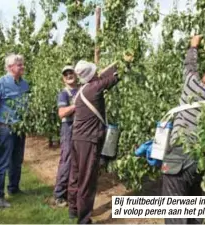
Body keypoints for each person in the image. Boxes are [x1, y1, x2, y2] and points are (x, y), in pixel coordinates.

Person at [160, 35, 205, 224]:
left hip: (180, 154)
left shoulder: (194, 87)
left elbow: (189, 67)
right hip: (200, 158)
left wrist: (193, 46)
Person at [68, 60, 121, 224]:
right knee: (87, 179)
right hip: (88, 141)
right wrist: (124, 62)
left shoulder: (82, 90)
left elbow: (102, 77)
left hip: (77, 138)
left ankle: (73, 209)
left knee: (75, 175)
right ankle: (84, 219)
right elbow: (113, 78)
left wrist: (113, 65)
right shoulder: (95, 88)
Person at [0, 53, 30, 208]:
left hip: (20, 129)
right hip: (5, 129)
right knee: (2, 162)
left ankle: (14, 188)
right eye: (19, 65)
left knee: (17, 161)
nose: (23, 66)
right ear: (10, 67)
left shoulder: (25, 84)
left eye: (22, 64)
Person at [53, 65, 79, 207]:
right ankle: (59, 194)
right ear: (63, 78)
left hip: (81, 128)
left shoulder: (82, 89)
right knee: (67, 160)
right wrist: (76, 105)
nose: (69, 75)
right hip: (68, 128)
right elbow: (61, 113)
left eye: (71, 73)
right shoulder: (64, 93)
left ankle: (73, 192)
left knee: (78, 162)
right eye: (66, 74)